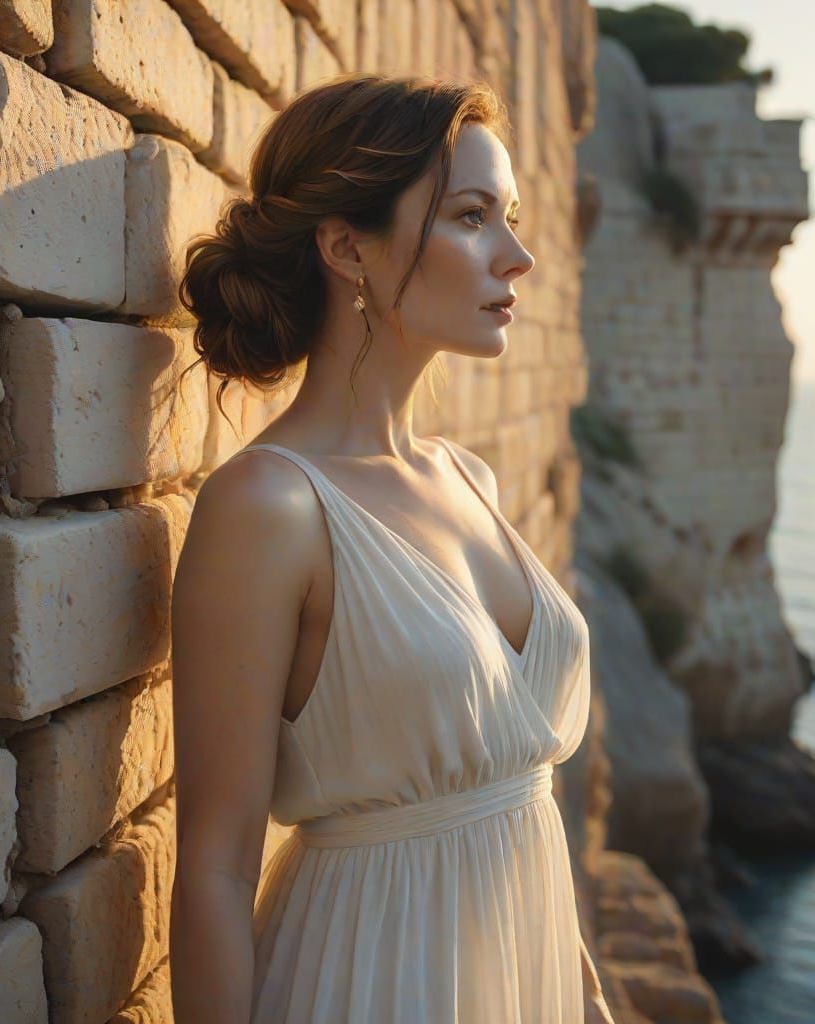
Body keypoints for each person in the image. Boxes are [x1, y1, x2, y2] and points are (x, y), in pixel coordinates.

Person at [169, 73, 615, 1024]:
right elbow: (212, 866)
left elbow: (513, 797)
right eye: (471, 217)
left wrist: (581, 991)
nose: (520, 255)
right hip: (366, 980)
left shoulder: (470, 480)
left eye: (514, 216)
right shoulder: (270, 506)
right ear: (346, 247)